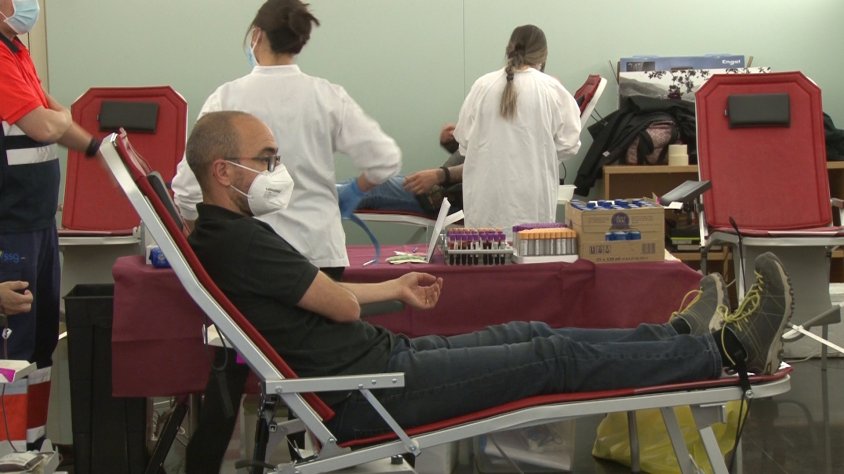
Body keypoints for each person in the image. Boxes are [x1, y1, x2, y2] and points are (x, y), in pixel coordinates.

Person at [185, 110, 793, 445]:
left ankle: (677, 339)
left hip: (379, 365)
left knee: (531, 330)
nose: (278, 171)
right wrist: (380, 296)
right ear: (223, 170)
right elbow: (339, 306)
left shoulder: (221, 236)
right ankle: (726, 351)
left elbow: (323, 298)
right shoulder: (240, 241)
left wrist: (395, 288)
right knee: (550, 357)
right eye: (267, 160)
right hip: (370, 394)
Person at [171, 0, 401, 278]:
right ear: (298, 42)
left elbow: (188, 187)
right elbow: (385, 160)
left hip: (248, 254)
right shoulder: (327, 97)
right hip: (320, 251)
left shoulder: (226, 99)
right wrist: (354, 190)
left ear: (256, 35)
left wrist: (197, 230)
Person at [1, 0, 102, 450]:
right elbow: (46, 125)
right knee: (13, 351)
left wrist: (98, 151)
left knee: (42, 345)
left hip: (39, 224)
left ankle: (34, 447)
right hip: (9, 228)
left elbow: (58, 122)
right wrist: (60, 120)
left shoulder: (16, 52)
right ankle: (10, 452)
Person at [453, 25, 581, 234]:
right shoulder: (552, 89)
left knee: (484, 251)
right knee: (531, 251)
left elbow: (464, 143)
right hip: (532, 203)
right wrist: (537, 153)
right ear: (543, 55)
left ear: (508, 49)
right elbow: (569, 145)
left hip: (486, 204)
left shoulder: (482, 86)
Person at [355, 123, 465, 216]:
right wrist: (450, 141)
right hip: (442, 190)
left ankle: (343, 199)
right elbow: (466, 157)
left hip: (450, 200)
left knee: (375, 187)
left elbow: (474, 168)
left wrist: (440, 175)